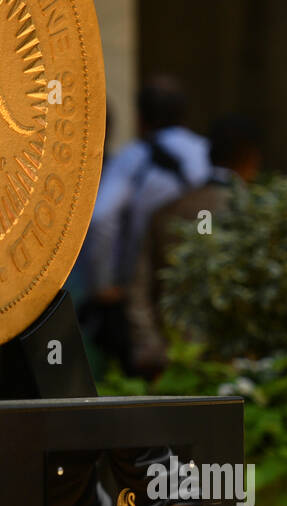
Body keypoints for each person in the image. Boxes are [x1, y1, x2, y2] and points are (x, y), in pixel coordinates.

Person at [79, 77, 208, 371]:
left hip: (142, 289)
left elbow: (101, 219)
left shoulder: (132, 158)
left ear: (140, 117)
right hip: (198, 279)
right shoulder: (206, 153)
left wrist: (103, 285)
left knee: (149, 369)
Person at [128, 114, 264, 375]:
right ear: (251, 157)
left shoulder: (167, 211)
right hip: (234, 364)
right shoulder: (255, 215)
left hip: (173, 360)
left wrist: (152, 348)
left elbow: (139, 289)